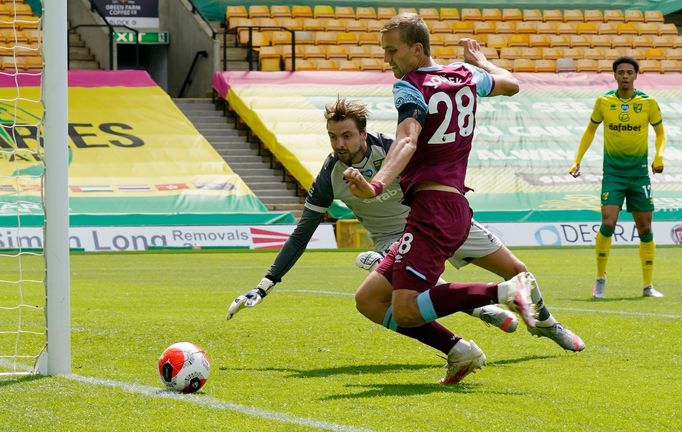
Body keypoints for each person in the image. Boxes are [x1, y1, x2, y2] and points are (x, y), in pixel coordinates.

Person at [227, 98, 584, 360]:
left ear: (363, 133)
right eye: (334, 137)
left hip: (441, 221)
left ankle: (546, 325)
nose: (340, 145)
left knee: (520, 272)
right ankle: (477, 310)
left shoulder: (395, 148)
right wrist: (265, 285)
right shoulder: (328, 176)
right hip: (396, 241)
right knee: (400, 291)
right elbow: (302, 233)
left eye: (347, 136)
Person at [342, 12, 539, 384]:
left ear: (417, 50)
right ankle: (459, 351)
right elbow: (511, 84)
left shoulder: (411, 85)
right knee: (369, 300)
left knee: (405, 310)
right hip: (446, 207)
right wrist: (481, 61)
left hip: (434, 209)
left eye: (392, 51)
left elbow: (406, 139)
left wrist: (377, 185)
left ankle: (504, 290)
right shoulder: (464, 75)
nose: (388, 60)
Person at [570, 56, 666, 299]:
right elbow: (590, 130)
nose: (625, 76)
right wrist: (577, 160)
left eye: (629, 72)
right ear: (615, 75)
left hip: (639, 175)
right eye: (621, 72)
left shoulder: (648, 102)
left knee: (645, 228)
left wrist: (659, 156)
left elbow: (660, 132)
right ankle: (600, 279)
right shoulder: (604, 102)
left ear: (635, 76)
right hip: (613, 174)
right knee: (608, 223)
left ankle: (648, 285)